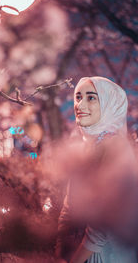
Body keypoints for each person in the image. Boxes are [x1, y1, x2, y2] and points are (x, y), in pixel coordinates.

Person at [55, 76, 138, 263]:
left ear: (110, 104)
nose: (80, 104)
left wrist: (74, 259)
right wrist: (61, 249)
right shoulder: (87, 147)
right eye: (78, 97)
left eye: (91, 97)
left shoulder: (115, 147)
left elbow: (103, 223)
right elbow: (70, 205)